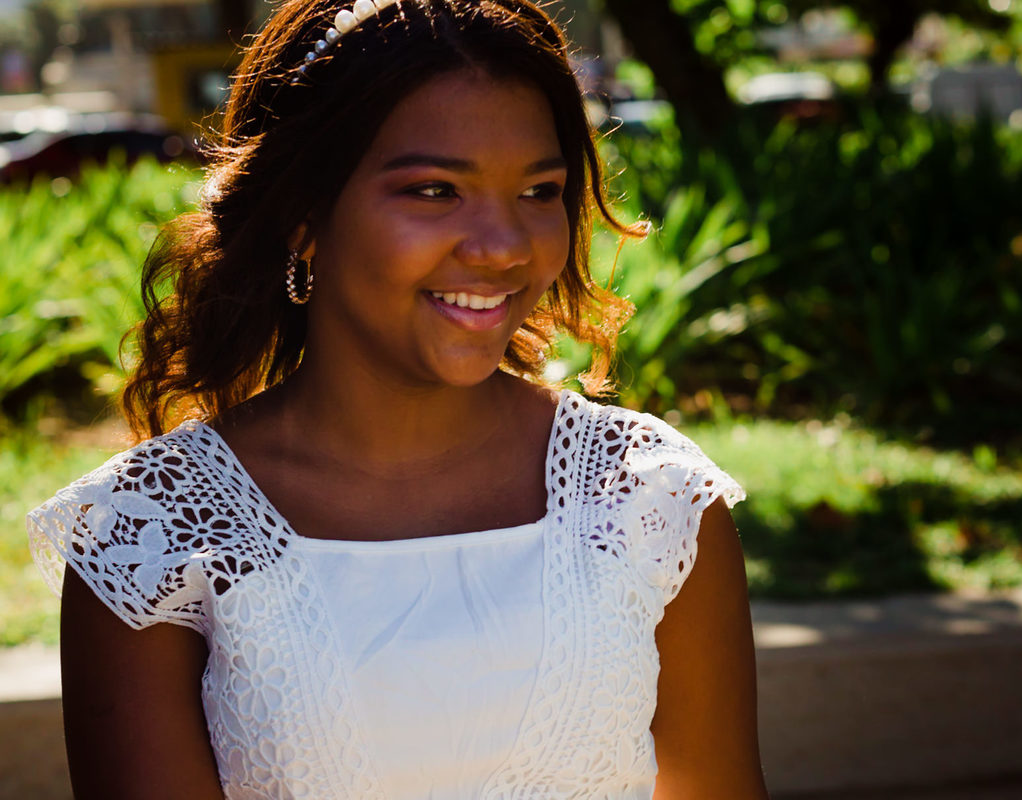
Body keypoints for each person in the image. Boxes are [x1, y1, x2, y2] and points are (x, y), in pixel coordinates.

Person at [27, 0, 768, 796]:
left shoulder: (652, 499)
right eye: (436, 191)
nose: (503, 248)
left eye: (538, 190)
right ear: (302, 213)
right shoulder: (147, 534)